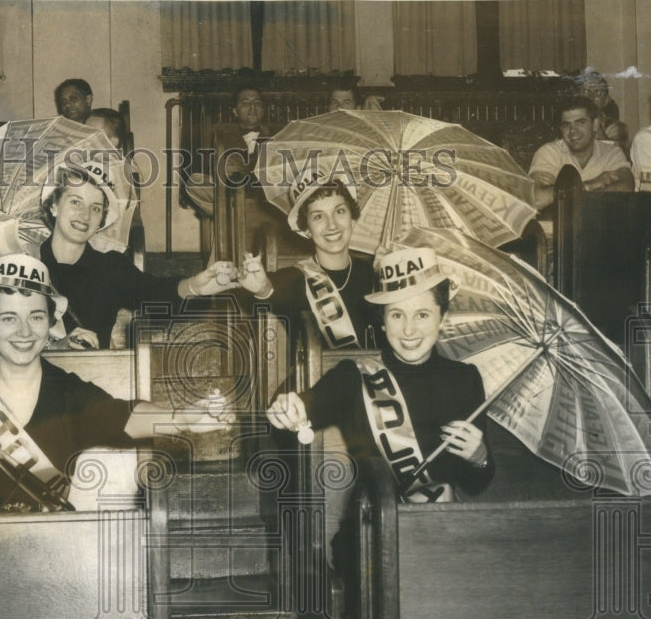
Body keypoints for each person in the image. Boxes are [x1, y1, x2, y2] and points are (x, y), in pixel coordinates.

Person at [0, 254, 232, 515]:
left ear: (49, 325)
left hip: (50, 556)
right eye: (8, 318)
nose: (24, 331)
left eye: (36, 317)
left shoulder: (65, 389)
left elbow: (123, 416)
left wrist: (184, 418)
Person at [266, 246, 494, 503]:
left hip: (439, 530)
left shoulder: (464, 380)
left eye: (422, 315)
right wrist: (291, 409)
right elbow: (314, 403)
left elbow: (475, 485)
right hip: (373, 529)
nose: (409, 330)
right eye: (397, 315)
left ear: (442, 318)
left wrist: (480, 458)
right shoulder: (354, 376)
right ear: (383, 321)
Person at [39, 161, 239, 349]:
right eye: (75, 202)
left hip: (93, 378)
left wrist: (194, 286)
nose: (85, 215)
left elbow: (157, 293)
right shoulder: (26, 265)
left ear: (101, 220)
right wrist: (57, 346)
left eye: (96, 208)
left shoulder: (110, 268)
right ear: (54, 206)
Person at [238, 171, 379, 350]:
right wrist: (263, 289)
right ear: (306, 230)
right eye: (318, 216)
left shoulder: (374, 273)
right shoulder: (294, 279)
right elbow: (270, 293)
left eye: (340, 211)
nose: (332, 224)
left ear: (353, 219)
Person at [529, 96, 634, 210]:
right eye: (566, 125)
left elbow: (626, 189)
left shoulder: (612, 153)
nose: (573, 131)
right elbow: (537, 198)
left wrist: (560, 191)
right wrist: (589, 185)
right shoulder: (549, 153)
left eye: (580, 122)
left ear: (595, 125)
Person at [182, 86, 272, 218]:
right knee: (195, 182)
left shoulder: (277, 138)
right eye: (245, 102)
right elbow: (213, 174)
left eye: (257, 103)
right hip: (230, 196)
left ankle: (230, 214)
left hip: (264, 200)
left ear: (263, 111)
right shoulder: (221, 138)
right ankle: (230, 214)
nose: (252, 107)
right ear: (235, 111)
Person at [575, 69, 629, 155]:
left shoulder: (616, 127)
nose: (591, 97)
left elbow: (618, 155)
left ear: (606, 100)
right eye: (586, 91)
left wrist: (596, 126)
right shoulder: (567, 123)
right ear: (578, 96)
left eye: (598, 93)